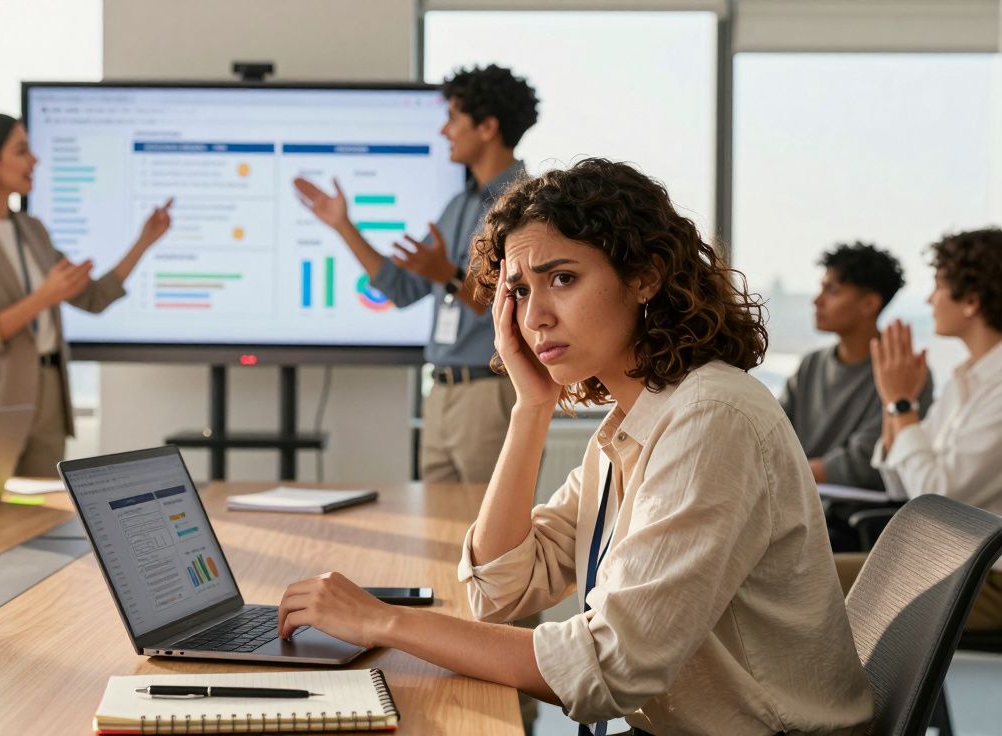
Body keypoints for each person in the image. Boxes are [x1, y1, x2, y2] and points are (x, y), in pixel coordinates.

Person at [276, 160, 873, 735]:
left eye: (562, 279)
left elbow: (611, 665)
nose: (536, 317)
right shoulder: (635, 421)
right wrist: (530, 407)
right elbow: (499, 590)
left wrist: (380, 620)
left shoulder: (710, 417)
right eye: (519, 291)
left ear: (644, 277)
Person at [294, 65, 538, 483]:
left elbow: (512, 307)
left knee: (493, 533)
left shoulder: (529, 205)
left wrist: (445, 274)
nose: (445, 131)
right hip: (441, 394)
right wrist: (342, 226)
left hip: (490, 393)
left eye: (453, 119)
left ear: (487, 127)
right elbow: (402, 288)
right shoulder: (459, 206)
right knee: (436, 529)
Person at [0, 112, 173, 477]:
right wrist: (42, 298)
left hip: (48, 397)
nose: (35, 160)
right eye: (22, 151)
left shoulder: (32, 230)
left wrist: (143, 242)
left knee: (44, 523)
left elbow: (94, 297)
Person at [834, 227, 1002, 631]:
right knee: (795, 574)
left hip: (988, 576)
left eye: (939, 287)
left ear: (972, 302)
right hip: (950, 563)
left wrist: (901, 403)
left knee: (799, 582)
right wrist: (894, 402)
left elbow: (936, 495)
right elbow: (900, 483)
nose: (929, 300)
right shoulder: (967, 381)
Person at [781, 242, 933, 490]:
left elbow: (864, 466)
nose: (817, 301)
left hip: (845, 516)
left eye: (832, 290)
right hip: (797, 499)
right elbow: (772, 434)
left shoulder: (906, 373)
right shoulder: (811, 364)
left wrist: (781, 473)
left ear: (869, 304)